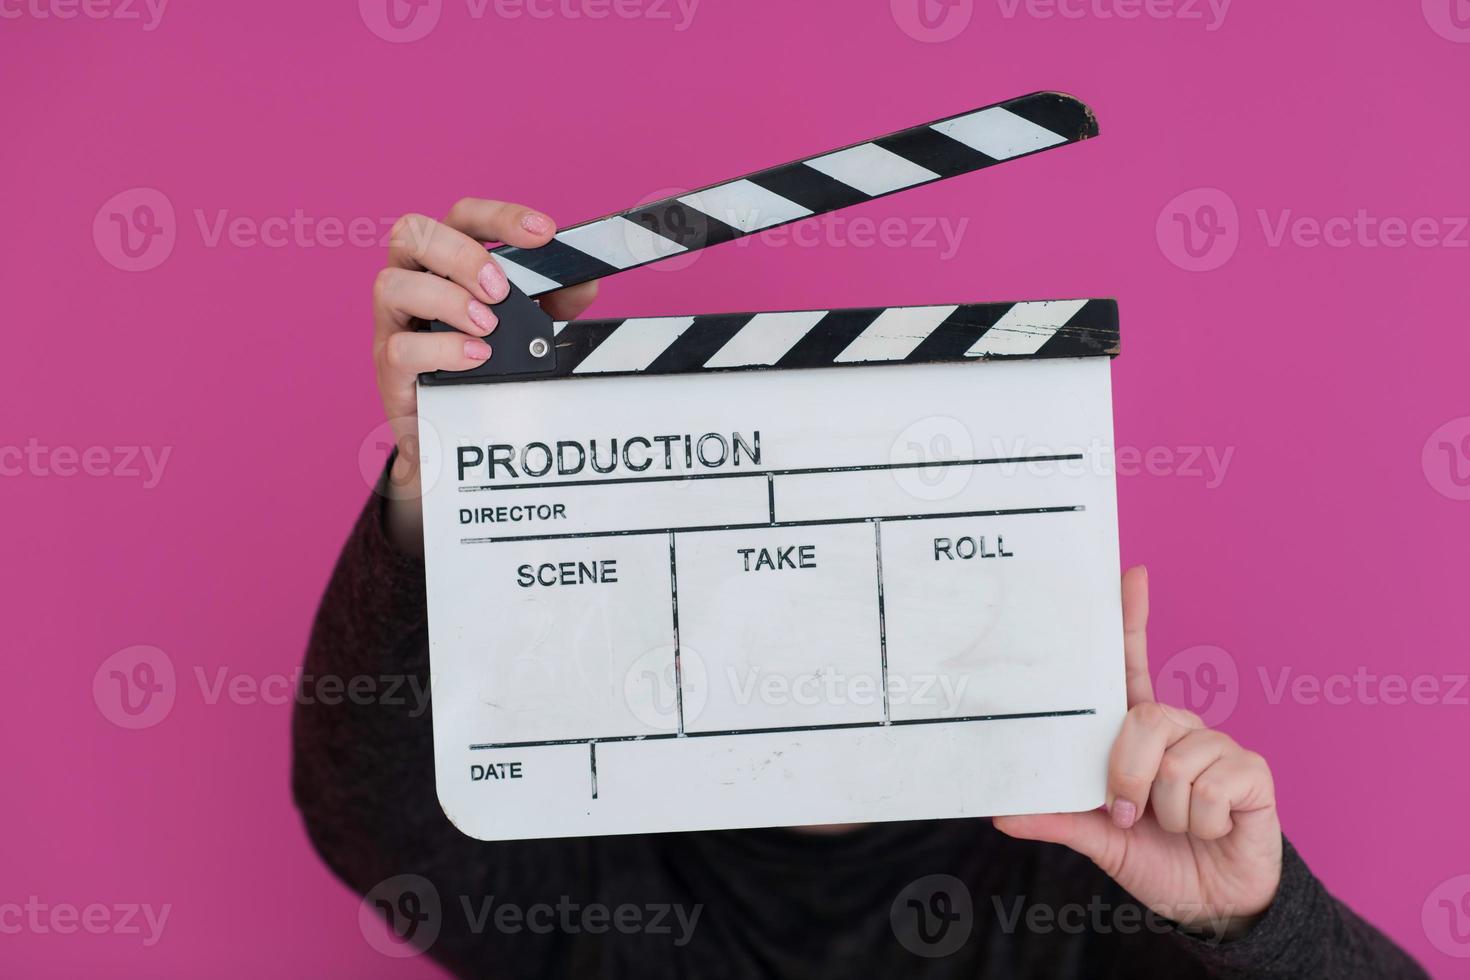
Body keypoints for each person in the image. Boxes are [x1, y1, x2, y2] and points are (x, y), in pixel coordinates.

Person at [292, 199, 1427, 978]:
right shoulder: (593, 857)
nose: (805, 602)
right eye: (771, 548)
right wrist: (443, 480)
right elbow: (368, 813)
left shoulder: (1087, 881)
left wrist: (1250, 918)